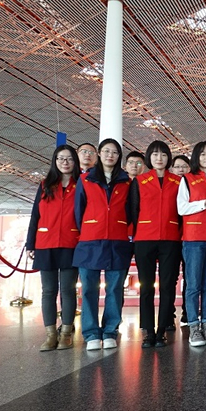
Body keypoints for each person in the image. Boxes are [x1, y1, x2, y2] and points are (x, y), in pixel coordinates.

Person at [73, 138, 132, 351]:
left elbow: (131, 210)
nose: (110, 155)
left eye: (114, 152)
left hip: (117, 240)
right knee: (89, 288)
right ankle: (90, 333)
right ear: (99, 154)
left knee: (115, 289)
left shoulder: (126, 182)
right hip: (90, 240)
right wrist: (90, 226)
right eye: (106, 151)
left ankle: (110, 331)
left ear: (119, 156)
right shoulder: (86, 179)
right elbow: (78, 210)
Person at [26, 145, 80, 351]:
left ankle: (66, 332)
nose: (65, 162)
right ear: (55, 161)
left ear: (74, 162)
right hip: (45, 243)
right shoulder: (45, 185)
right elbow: (35, 216)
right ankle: (50, 335)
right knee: (48, 291)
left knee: (68, 290)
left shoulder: (81, 185)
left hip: (71, 243)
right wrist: (30, 243)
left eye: (69, 158)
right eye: (60, 158)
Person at [130, 141, 182, 348]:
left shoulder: (178, 181)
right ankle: (148, 331)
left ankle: (162, 330)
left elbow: (181, 211)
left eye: (163, 154)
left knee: (168, 286)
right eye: (155, 154)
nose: (159, 158)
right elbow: (134, 210)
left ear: (169, 158)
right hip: (145, 238)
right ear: (148, 158)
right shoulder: (140, 181)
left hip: (171, 238)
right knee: (146, 286)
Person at [177, 141, 206, 347]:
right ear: (196, 157)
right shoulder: (187, 179)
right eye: (203, 154)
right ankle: (194, 325)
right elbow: (181, 208)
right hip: (194, 238)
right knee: (193, 285)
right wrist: (204, 203)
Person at [170, 155, 191, 325]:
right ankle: (168, 313)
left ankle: (187, 311)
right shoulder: (168, 186)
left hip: (189, 236)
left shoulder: (192, 186)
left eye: (184, 166)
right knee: (171, 277)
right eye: (177, 166)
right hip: (171, 237)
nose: (181, 170)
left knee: (189, 277)